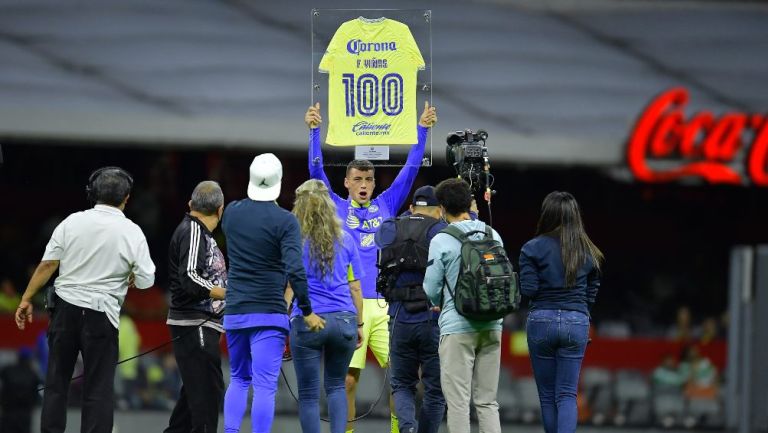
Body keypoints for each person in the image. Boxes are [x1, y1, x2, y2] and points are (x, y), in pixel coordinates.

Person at [305, 101, 437, 433]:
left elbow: (410, 168)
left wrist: (422, 129)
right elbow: (316, 172)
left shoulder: (387, 204)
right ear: (347, 183)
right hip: (350, 307)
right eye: (357, 179)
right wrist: (314, 131)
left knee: (399, 379)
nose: (364, 184)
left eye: (368, 178)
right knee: (348, 381)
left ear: (374, 183)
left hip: (386, 306)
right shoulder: (334, 205)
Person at [14, 166, 156, 433]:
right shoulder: (132, 231)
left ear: (91, 193)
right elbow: (147, 280)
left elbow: (47, 266)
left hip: (65, 311)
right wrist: (131, 277)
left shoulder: (71, 222)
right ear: (127, 198)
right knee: (98, 389)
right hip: (102, 317)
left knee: (56, 385)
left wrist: (26, 298)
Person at [221, 153, 324, 433]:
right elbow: (295, 269)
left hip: (236, 312)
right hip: (268, 313)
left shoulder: (231, 212)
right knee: (265, 386)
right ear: (280, 182)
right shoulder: (285, 222)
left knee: (239, 379)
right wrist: (307, 310)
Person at [423, 178, 504, 433]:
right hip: (492, 324)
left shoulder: (442, 239)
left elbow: (430, 288)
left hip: (457, 326)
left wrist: (438, 302)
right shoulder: (492, 234)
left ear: (442, 208)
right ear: (469, 203)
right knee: (488, 402)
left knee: (458, 403)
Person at [519, 191, 604, 433]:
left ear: (547, 214)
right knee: (567, 394)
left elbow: (529, 289)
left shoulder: (531, 248)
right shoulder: (590, 250)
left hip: (541, 321)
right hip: (576, 321)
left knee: (547, 396)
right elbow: (591, 294)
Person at [286, 179, 365, 433]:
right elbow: (355, 288)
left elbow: (289, 287)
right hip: (344, 321)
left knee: (308, 394)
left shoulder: (294, 242)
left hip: (308, 321)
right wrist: (360, 324)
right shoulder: (346, 239)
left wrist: (281, 320)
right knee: (336, 387)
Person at [375, 185, 446, 433]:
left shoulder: (391, 227)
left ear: (412, 207)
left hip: (399, 317)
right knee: (435, 391)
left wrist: (407, 217)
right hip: (432, 318)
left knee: (402, 385)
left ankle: (407, 429)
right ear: (440, 210)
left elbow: (379, 242)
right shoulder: (441, 230)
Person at [164, 181, 228, 433]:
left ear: (191, 204)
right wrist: (227, 293)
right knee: (207, 394)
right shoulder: (193, 230)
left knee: (193, 399)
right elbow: (189, 277)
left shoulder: (200, 233)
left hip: (201, 324)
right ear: (221, 210)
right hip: (193, 323)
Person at [0, 348, 40, 433]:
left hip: (8, 413)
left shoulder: (7, 370)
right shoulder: (33, 374)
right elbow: (36, 396)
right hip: (25, 415)